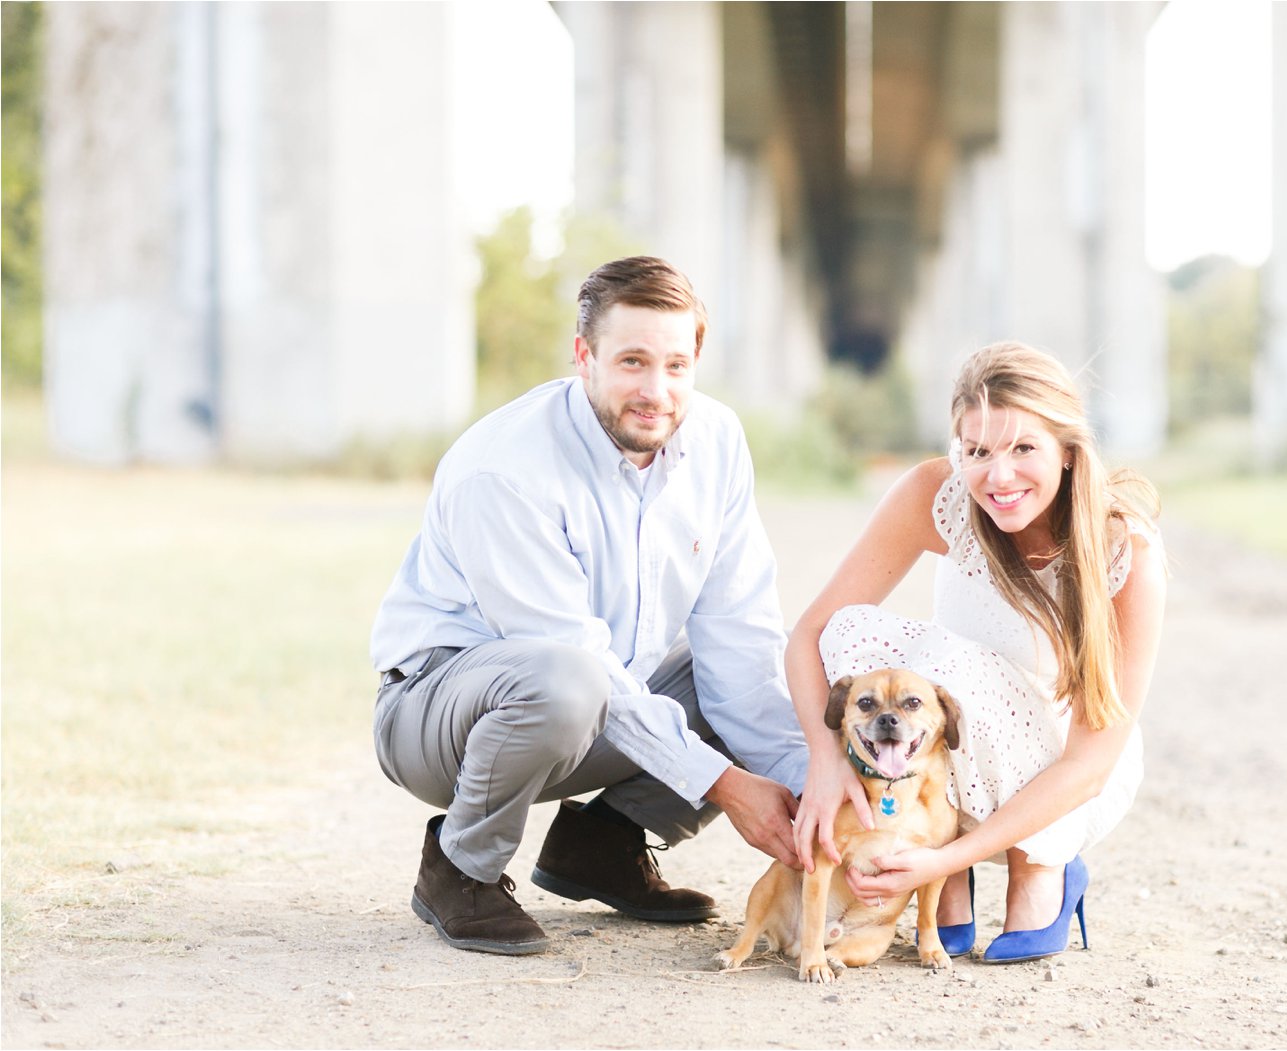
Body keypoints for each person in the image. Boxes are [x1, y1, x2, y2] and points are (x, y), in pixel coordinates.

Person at [370, 256, 805, 956]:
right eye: (631, 361)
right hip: (439, 716)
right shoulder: (506, 468)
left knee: (757, 670)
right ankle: (459, 868)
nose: (655, 390)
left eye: (674, 365)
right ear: (585, 356)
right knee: (570, 678)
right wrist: (726, 786)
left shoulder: (717, 442)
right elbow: (580, 663)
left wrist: (809, 792)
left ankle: (600, 844)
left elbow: (743, 646)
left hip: (590, 706)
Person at [786, 341, 1166, 964]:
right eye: (978, 451)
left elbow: (1091, 764)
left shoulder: (1126, 547)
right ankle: (946, 869)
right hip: (963, 738)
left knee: (944, 666)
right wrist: (824, 761)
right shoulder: (936, 494)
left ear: (1069, 453)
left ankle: (1039, 866)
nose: (999, 476)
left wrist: (942, 858)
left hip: (1067, 766)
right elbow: (812, 634)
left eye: (1023, 448)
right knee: (856, 633)